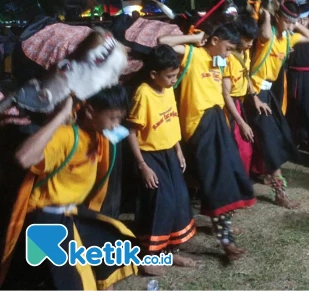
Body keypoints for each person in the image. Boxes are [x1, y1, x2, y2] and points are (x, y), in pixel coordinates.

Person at [0, 87, 137, 290]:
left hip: (71, 213)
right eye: (113, 118)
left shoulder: (98, 134)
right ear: (90, 112)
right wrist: (62, 115)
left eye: (119, 118)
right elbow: (24, 158)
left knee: (116, 246)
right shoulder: (64, 136)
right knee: (75, 282)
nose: (117, 125)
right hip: (45, 220)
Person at [158, 23, 256, 260]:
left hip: (218, 120)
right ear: (214, 41)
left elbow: (223, 89)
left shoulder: (218, 61)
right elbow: (163, 42)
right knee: (217, 181)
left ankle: (221, 228)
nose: (228, 54)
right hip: (199, 125)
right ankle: (225, 239)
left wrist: (237, 120)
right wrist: (194, 37)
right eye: (227, 47)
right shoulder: (192, 53)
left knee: (229, 175)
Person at [126, 44, 196, 275]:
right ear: (154, 74)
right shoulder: (143, 93)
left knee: (178, 199)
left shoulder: (167, 89)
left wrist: (178, 150)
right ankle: (149, 256)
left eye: (176, 75)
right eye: (169, 76)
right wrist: (142, 165)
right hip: (150, 157)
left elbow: (171, 121)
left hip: (169, 153)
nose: (174, 80)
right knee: (160, 202)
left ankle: (170, 252)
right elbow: (131, 132)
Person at [245, 0, 309, 209]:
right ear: (277, 17)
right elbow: (266, 33)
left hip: (268, 93)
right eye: (286, 20)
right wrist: (267, 14)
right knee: (270, 141)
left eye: (292, 21)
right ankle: (280, 192)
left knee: (279, 136)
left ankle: (266, 175)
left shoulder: (287, 39)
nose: (289, 25)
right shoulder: (266, 37)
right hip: (254, 93)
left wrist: (293, 24)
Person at [223, 15, 259, 174]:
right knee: (240, 148)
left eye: (252, 40)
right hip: (229, 107)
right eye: (247, 40)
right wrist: (241, 122)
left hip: (241, 102)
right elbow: (226, 94)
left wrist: (255, 96)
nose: (250, 44)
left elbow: (246, 75)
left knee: (247, 147)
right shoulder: (227, 57)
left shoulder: (245, 53)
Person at [287, 4, 309, 153]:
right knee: (293, 108)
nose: (302, 22)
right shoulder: (290, 36)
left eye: (305, 19)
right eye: (299, 19)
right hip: (293, 75)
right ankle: (293, 139)